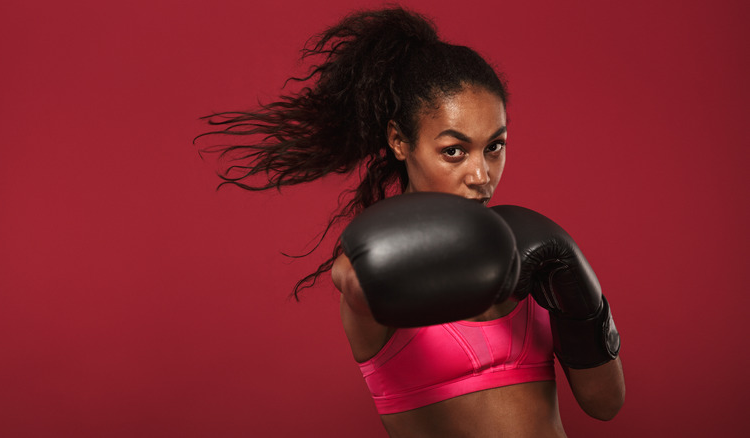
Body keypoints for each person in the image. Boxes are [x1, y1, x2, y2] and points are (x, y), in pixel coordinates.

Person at [197, 7, 625, 437]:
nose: (481, 175)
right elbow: (355, 280)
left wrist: (581, 297)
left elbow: (604, 404)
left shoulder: (530, 253)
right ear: (400, 142)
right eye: (454, 151)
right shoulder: (379, 263)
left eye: (494, 147)